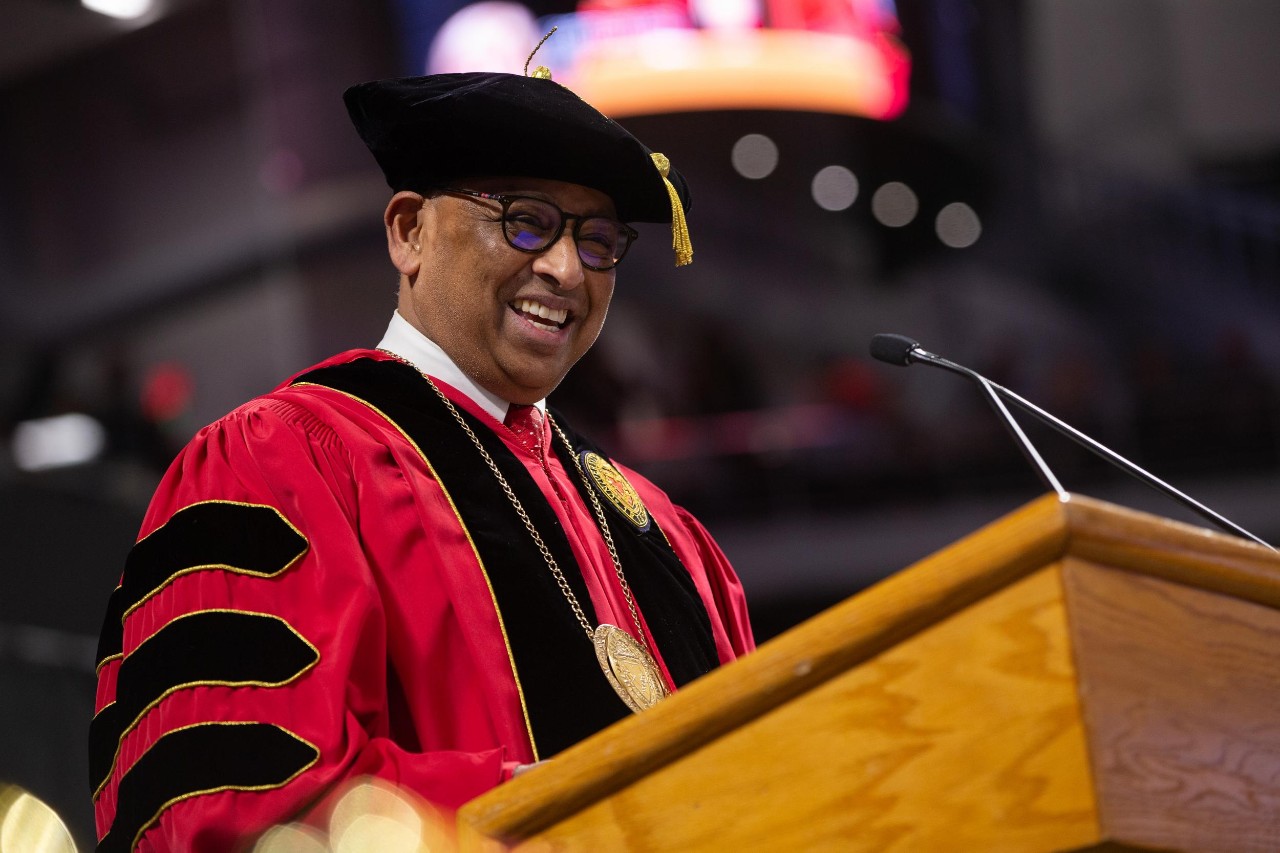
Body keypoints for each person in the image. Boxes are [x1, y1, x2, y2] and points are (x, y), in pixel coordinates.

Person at [89, 69, 754, 851]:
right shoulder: (282, 462)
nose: (567, 271)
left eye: (598, 241)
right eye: (526, 222)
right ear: (409, 231)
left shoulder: (664, 534)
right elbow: (231, 805)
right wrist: (564, 813)